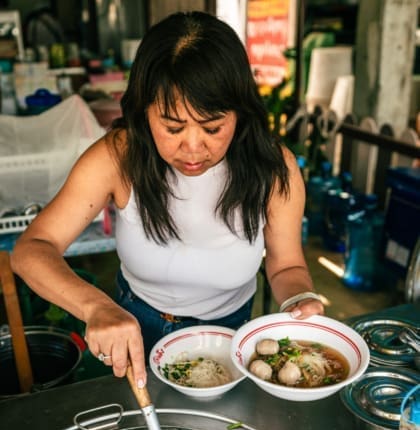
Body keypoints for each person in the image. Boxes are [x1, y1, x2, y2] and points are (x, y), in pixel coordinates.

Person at [11, 11, 324, 389]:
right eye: (172, 127)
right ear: (144, 112)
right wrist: (96, 307)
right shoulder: (118, 157)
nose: (193, 148)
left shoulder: (274, 167)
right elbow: (32, 249)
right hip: (135, 325)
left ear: (240, 113)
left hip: (231, 332)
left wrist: (299, 301)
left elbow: (287, 265)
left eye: (212, 127)